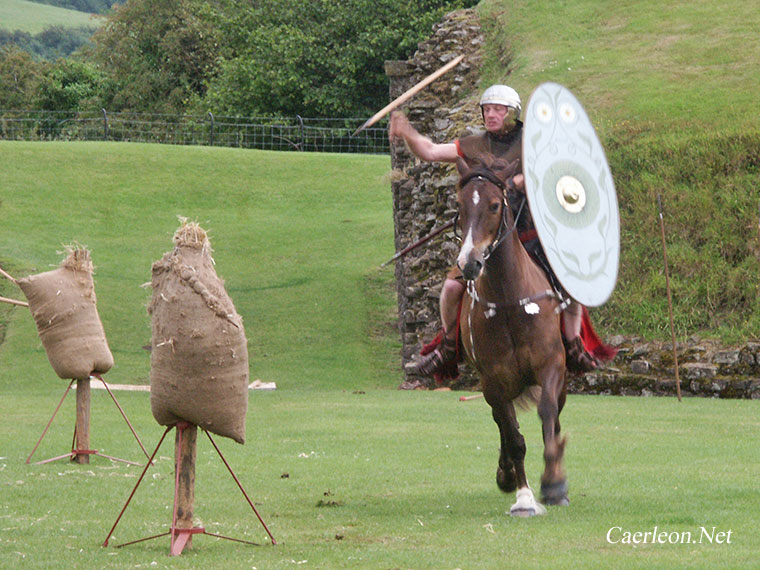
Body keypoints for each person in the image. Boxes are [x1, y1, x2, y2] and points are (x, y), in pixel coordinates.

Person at [388, 84, 601, 379]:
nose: (491, 114)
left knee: (570, 284)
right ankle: (449, 346)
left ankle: (574, 345)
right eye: (487, 109)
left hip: (530, 235)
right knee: (451, 289)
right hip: (486, 240)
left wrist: (522, 180)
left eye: (498, 109)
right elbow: (432, 151)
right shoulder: (475, 144)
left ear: (511, 113)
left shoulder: (532, 141)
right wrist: (407, 131)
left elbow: (558, 166)